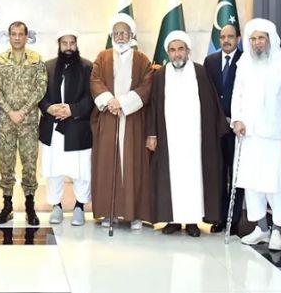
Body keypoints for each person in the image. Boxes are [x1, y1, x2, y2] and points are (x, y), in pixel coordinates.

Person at [147, 30, 227, 237]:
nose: (177, 54)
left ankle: (192, 221)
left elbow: (211, 104)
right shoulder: (160, 75)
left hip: (195, 138)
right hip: (169, 139)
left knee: (193, 177)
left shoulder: (200, 72)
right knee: (171, 178)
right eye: (173, 50)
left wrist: (215, 131)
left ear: (188, 51)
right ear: (168, 53)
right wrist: (152, 134)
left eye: (180, 49)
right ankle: (173, 220)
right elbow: (153, 106)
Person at [232, 18, 281, 251]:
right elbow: (237, 94)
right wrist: (237, 119)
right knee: (252, 184)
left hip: (276, 136)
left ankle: (277, 230)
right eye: (254, 39)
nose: (257, 43)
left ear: (270, 39)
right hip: (249, 135)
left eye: (261, 38)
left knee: (277, 184)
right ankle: (261, 228)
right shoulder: (244, 63)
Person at [90, 14, 154, 229]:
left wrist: (123, 103)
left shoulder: (142, 60)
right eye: (116, 33)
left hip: (132, 118)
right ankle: (109, 212)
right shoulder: (102, 57)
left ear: (131, 35)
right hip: (109, 116)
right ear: (111, 35)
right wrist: (110, 101)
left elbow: (147, 87)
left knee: (133, 165)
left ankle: (134, 214)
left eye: (124, 33)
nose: (120, 37)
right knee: (107, 164)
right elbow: (95, 80)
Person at [0, 21, 47, 225]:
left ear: (26, 36)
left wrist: (22, 111)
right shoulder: (0, 60)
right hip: (6, 123)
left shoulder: (36, 60)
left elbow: (41, 88)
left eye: (20, 34)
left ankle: (30, 207)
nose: (16, 38)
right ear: (9, 36)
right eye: (13, 34)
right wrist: (10, 111)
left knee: (29, 166)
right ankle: (7, 207)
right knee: (6, 165)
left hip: (28, 123)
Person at [39, 30, 94, 226]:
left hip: (77, 128)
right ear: (59, 45)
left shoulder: (88, 67)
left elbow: (91, 97)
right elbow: (39, 95)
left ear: (76, 45)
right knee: (54, 171)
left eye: (72, 43)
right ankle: (56, 206)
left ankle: (79, 206)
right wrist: (48, 108)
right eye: (65, 43)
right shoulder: (47, 67)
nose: (68, 47)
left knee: (81, 171)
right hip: (52, 128)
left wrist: (72, 110)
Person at [203, 24, 243, 234]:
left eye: (230, 36)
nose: (226, 40)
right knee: (218, 174)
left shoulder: (245, 60)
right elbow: (206, 93)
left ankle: (233, 220)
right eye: (223, 37)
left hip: (237, 129)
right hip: (215, 128)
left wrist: (234, 118)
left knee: (236, 175)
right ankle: (219, 217)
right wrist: (218, 118)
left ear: (238, 38)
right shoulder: (210, 61)